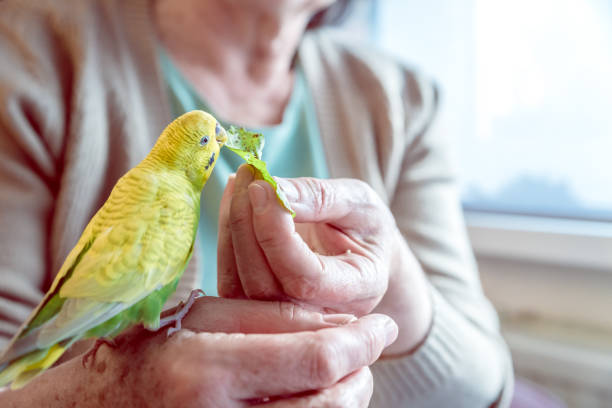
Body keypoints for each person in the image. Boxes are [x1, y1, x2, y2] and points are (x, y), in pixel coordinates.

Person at [0, 0, 513, 406]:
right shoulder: (28, 53)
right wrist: (104, 395)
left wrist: (389, 278)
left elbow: (481, 388)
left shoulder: (407, 102)